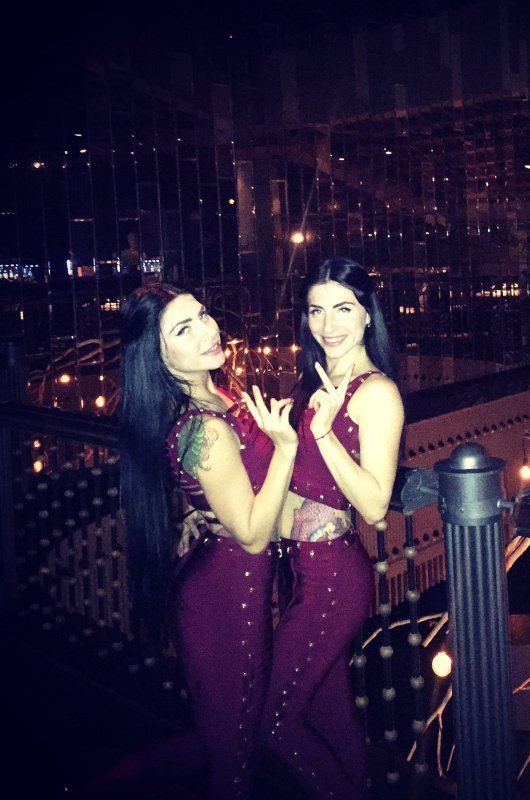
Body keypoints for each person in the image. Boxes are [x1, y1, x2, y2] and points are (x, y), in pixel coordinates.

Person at [94, 283, 297, 800]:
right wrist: (286, 449)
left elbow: (223, 488)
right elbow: (252, 534)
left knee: (224, 738)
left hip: (233, 583)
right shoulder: (202, 426)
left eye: (203, 315)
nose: (208, 330)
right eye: (184, 330)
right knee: (234, 756)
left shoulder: (220, 394)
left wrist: (200, 512)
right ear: (158, 357)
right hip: (225, 596)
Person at [261, 258, 404, 800]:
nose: (328, 325)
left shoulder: (376, 392)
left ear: (368, 315)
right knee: (329, 711)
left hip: (332, 581)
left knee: (273, 720)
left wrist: (322, 434)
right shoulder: (313, 382)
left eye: (343, 309)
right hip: (295, 571)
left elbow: (374, 504)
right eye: (316, 310)